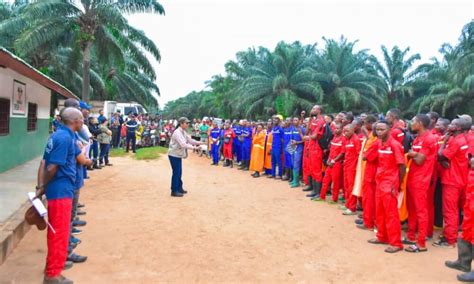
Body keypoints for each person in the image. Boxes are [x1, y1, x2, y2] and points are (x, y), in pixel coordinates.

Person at [35, 107, 85, 284]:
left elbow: (45, 163)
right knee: (59, 233)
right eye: (81, 119)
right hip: (60, 191)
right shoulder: (64, 138)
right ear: (75, 121)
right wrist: (42, 188)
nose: (83, 121)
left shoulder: (61, 135)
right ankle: (52, 274)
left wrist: (42, 187)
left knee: (59, 232)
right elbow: (51, 167)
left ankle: (54, 268)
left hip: (61, 190)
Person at [368, 120, 405, 253]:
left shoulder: (395, 145)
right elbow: (367, 157)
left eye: (382, 129)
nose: (379, 132)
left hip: (390, 183)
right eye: (377, 129)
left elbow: (402, 166)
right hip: (380, 181)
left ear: (389, 129)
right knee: (380, 211)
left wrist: (398, 184)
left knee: (391, 214)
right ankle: (382, 236)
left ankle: (396, 243)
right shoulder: (379, 143)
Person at [404, 114, 437, 252]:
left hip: (421, 180)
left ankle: (421, 243)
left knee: (421, 211)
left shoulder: (429, 138)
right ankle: (411, 236)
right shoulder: (418, 137)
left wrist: (412, 154)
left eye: (413, 122)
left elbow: (419, 160)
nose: (411, 124)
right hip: (413, 177)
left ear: (420, 123)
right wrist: (413, 153)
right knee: (411, 209)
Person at [434, 118, 469, 248]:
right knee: (454, 210)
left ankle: (450, 239)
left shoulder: (456, 141)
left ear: (459, 128)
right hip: (459, 178)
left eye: (453, 124)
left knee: (450, 211)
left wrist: (443, 146)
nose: (450, 125)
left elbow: (441, 155)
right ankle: (450, 235)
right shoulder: (461, 140)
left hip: (452, 180)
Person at [167, 117, 203, 197]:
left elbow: (190, 140)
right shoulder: (177, 132)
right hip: (173, 154)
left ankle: (179, 188)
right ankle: (174, 190)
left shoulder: (183, 131)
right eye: (186, 123)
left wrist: (200, 143)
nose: (188, 124)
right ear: (181, 123)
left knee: (179, 172)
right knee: (176, 172)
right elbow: (183, 144)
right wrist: (195, 148)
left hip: (177, 154)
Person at [357, 115, 378, 230]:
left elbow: (367, 156)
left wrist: (365, 154)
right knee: (367, 197)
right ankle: (367, 219)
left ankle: (369, 222)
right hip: (368, 171)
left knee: (370, 198)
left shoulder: (376, 141)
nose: (377, 131)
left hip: (372, 173)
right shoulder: (371, 136)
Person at [316, 122, 344, 202]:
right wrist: (329, 159)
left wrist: (334, 161)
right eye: (335, 128)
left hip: (337, 163)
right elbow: (331, 150)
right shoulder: (334, 137)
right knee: (326, 180)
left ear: (342, 130)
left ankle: (334, 199)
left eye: (338, 128)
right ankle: (322, 197)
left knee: (335, 182)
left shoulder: (343, 139)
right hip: (330, 162)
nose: (335, 130)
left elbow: (342, 153)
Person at [303, 105, 325, 198]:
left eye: (314, 109)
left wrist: (308, 137)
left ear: (319, 111)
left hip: (317, 148)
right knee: (312, 169)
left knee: (316, 170)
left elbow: (315, 136)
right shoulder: (314, 120)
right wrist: (310, 119)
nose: (312, 110)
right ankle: (314, 190)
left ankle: (318, 193)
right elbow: (307, 131)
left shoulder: (321, 121)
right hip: (311, 147)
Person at [340, 123, 361, 215]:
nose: (345, 133)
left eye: (347, 131)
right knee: (347, 186)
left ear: (353, 130)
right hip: (347, 166)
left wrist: (356, 167)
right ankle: (348, 204)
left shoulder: (356, 140)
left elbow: (359, 154)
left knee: (351, 187)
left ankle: (352, 207)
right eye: (344, 131)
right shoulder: (347, 140)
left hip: (352, 168)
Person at [290, 117, 305, 188]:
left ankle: (297, 182)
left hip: (299, 148)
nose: (294, 121)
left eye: (296, 120)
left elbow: (305, 140)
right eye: (293, 120)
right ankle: (294, 179)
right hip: (292, 147)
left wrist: (297, 142)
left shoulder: (302, 129)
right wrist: (292, 142)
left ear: (299, 121)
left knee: (296, 164)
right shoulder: (292, 128)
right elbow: (292, 138)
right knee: (293, 163)